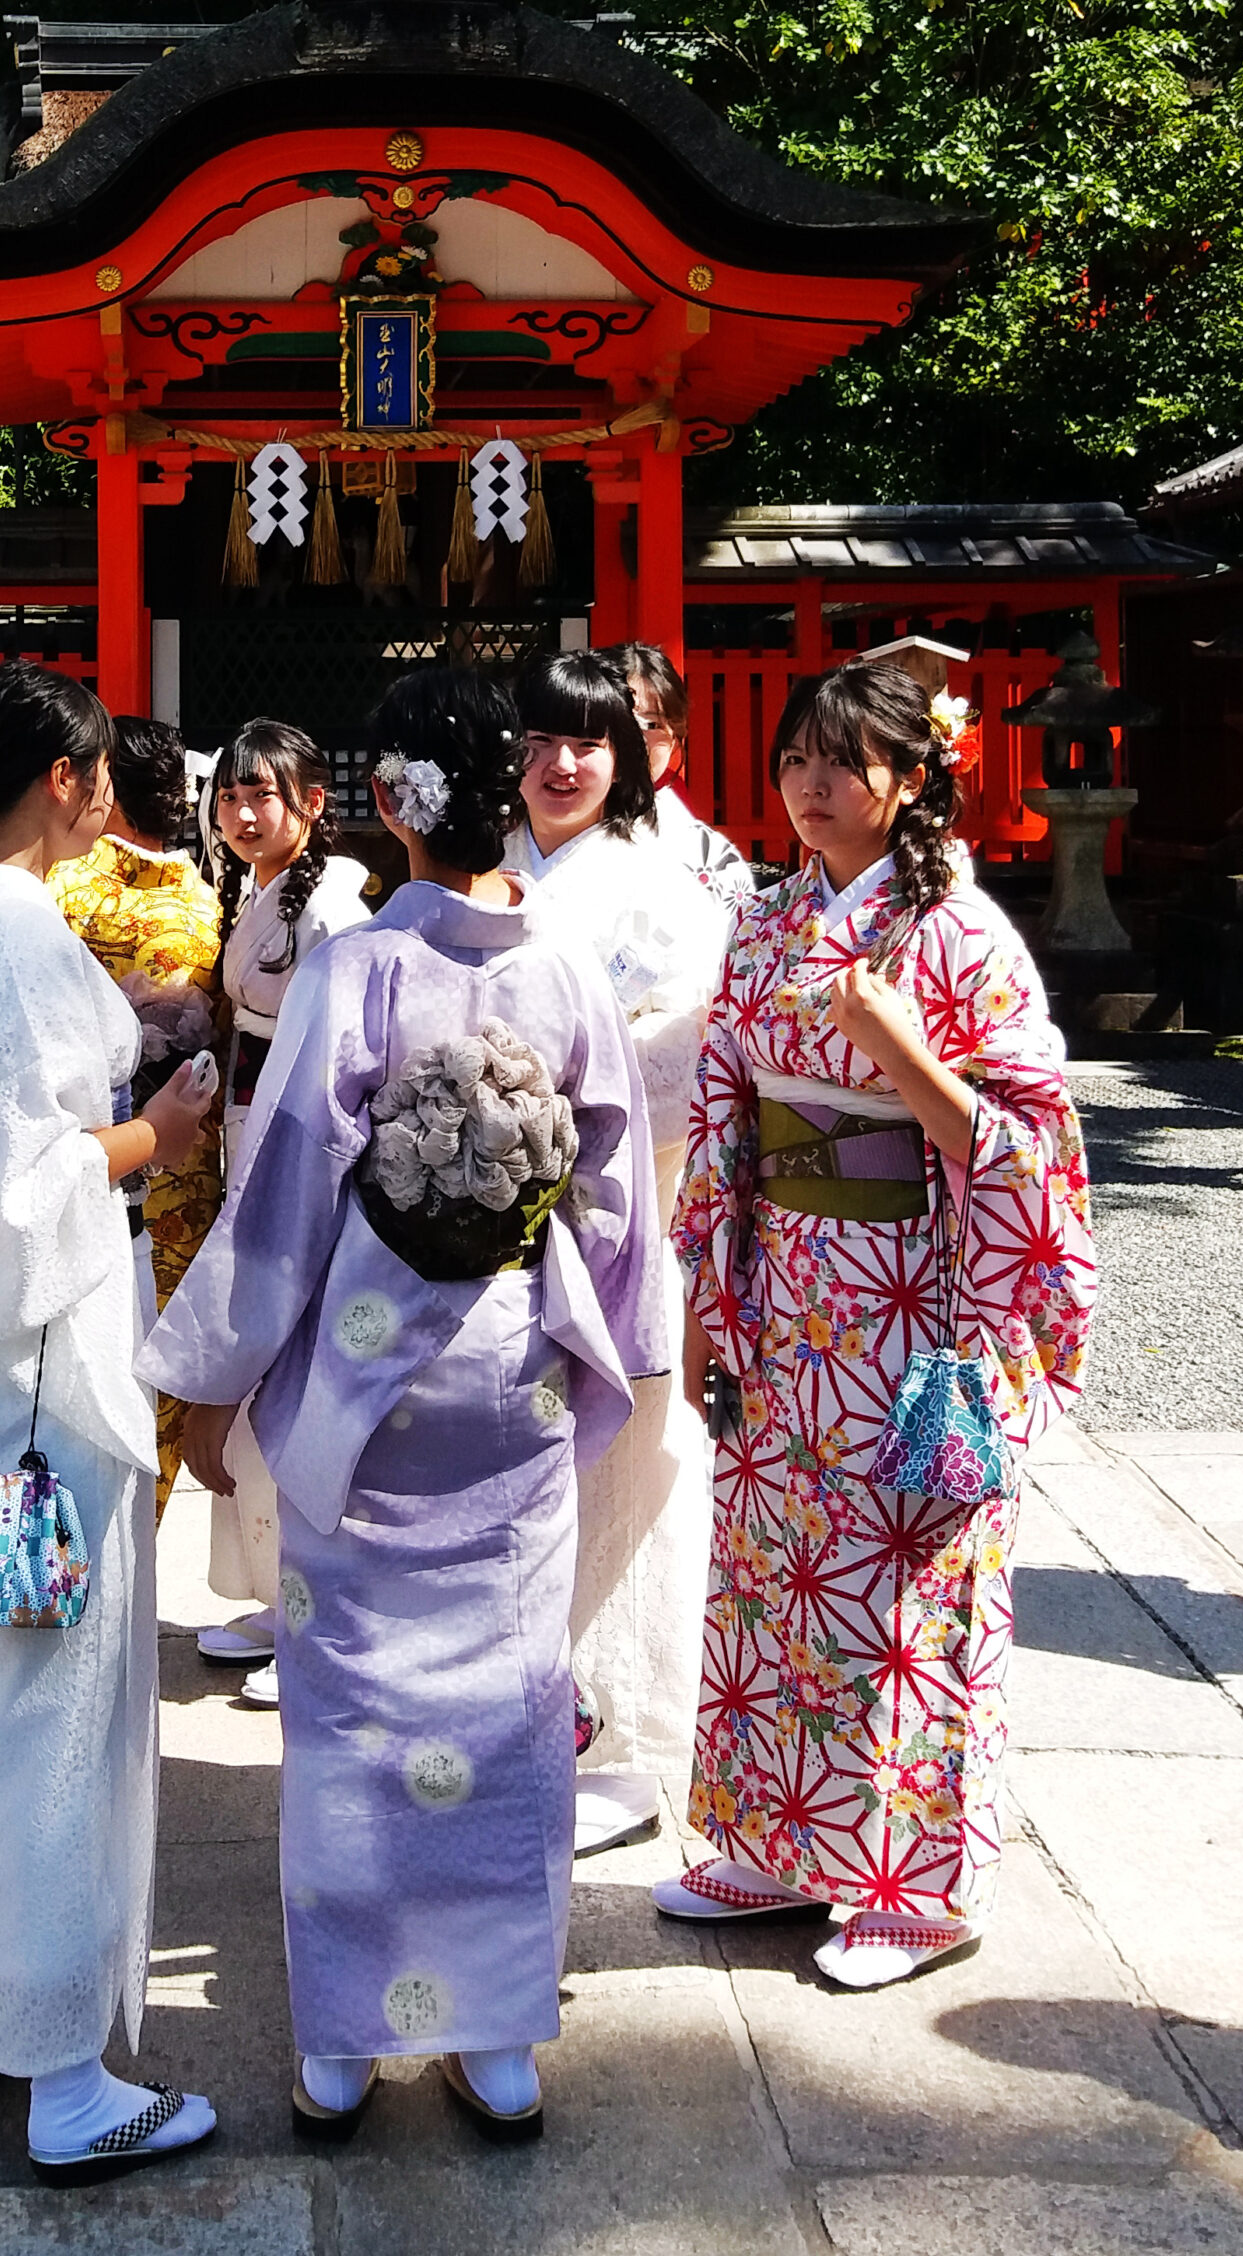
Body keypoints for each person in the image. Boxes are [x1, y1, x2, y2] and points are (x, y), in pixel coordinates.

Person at [144, 667, 660, 2144]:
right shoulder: (566, 971)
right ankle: (494, 2036)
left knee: (355, 1707)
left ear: (388, 802)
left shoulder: (358, 966)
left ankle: (347, 2039)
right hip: (513, 1371)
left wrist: (210, 1377)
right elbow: (613, 1191)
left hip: (370, 1382)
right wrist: (615, 1343)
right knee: (506, 1701)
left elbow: (287, 1191)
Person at [657, 661, 1096, 1987]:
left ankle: (920, 1882)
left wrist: (898, 1045)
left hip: (916, 1301)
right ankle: (777, 1842)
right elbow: (724, 1115)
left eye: (842, 761)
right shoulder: (768, 917)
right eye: (795, 758)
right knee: (776, 1569)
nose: (810, 784)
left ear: (909, 778)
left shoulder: (959, 932)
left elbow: (1031, 1148)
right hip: (784, 1296)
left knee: (906, 1584)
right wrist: (707, 1299)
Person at [0, 659, 223, 2182]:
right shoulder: (9, 933)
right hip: (40, 1359)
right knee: (48, 1689)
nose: (107, 797)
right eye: (98, 774)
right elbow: (27, 1184)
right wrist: (158, 1129)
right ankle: (65, 2075)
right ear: (65, 780)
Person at [512, 652, 731, 1856]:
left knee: (626, 1466)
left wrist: (553, 1085)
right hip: (487, 1228)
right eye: (541, 739)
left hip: (615, 1210)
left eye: (589, 742)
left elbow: (694, 1048)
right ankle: (514, 1715)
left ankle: (622, 1744)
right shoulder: (481, 871)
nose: (562, 763)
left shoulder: (662, 891)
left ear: (628, 760)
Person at [195, 721, 375, 1705]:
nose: (241, 813)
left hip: (296, 1138)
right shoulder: (255, 891)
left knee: (296, 1370)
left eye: (261, 794)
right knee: (257, 1363)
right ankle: (274, 1595)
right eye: (229, 795)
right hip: (245, 1119)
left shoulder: (334, 905)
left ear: (311, 801)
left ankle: (314, 1611)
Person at [45, 716, 226, 1515]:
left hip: (83, 1153)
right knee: (159, 1372)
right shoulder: (208, 904)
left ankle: (72, 1547)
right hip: (184, 1166)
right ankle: (137, 1542)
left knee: (76, 1372)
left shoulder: (60, 888)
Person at [610, 640, 755, 905]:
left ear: (675, 736)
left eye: (652, 724)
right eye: (620, 721)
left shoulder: (697, 849)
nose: (635, 738)